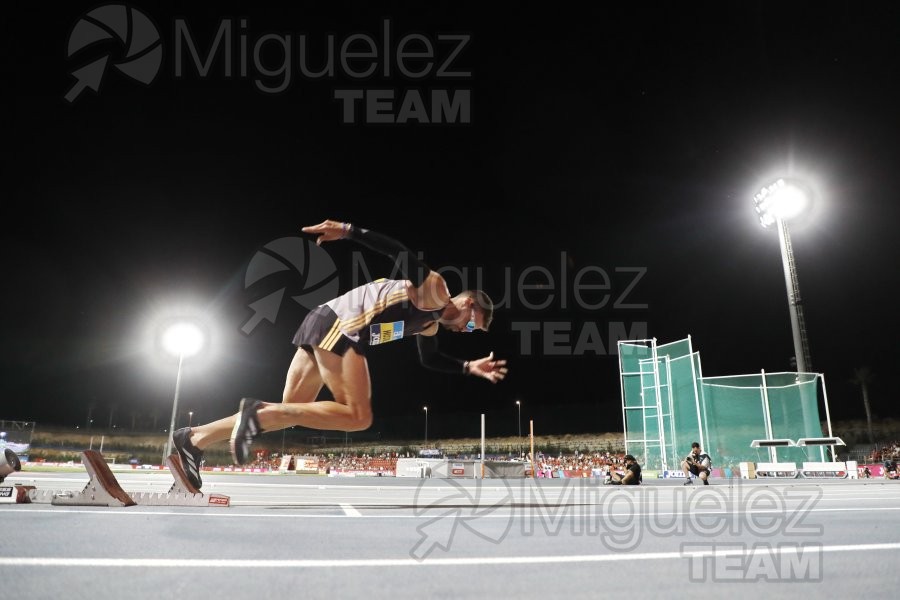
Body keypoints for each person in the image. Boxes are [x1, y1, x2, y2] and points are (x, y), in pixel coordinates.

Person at [171, 219, 508, 489]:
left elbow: (429, 359)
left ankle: (193, 439)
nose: (463, 331)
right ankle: (252, 412)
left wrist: (468, 367)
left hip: (322, 323)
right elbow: (400, 252)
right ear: (467, 304)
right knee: (359, 416)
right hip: (342, 326)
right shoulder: (436, 291)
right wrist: (348, 231)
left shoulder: (430, 325)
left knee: (286, 413)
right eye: (469, 325)